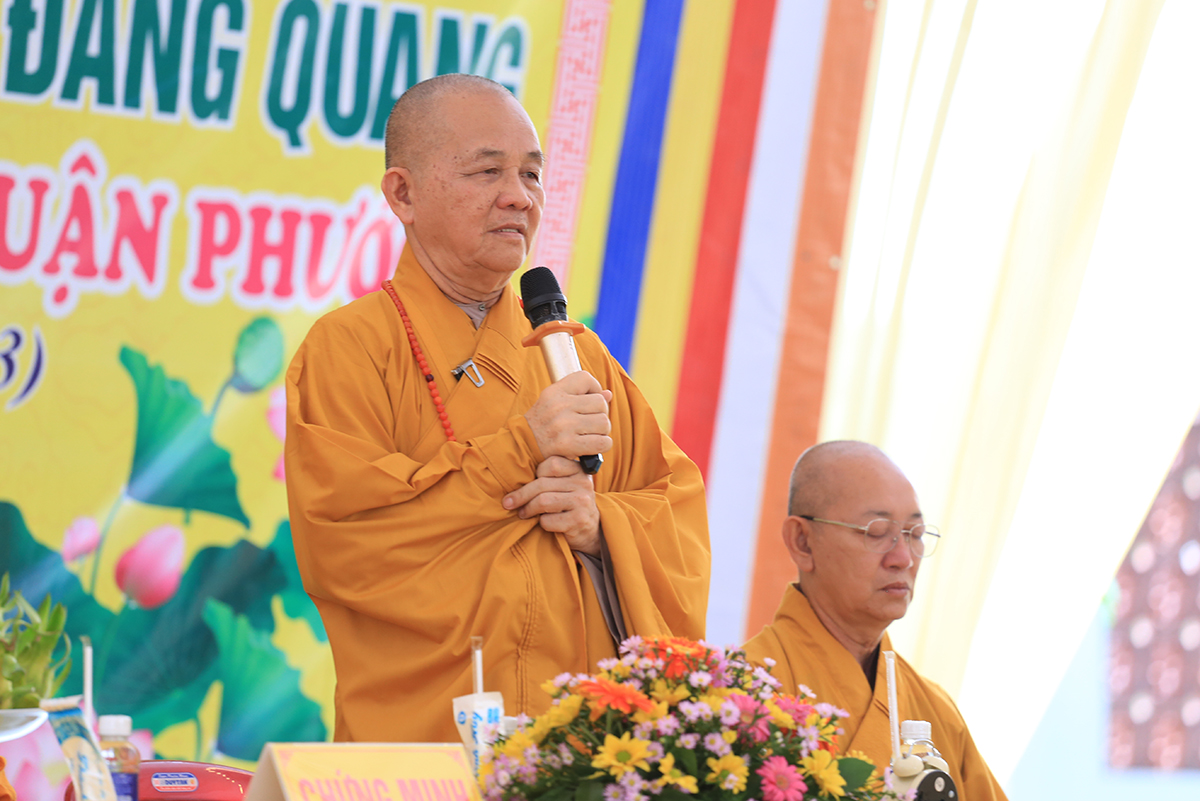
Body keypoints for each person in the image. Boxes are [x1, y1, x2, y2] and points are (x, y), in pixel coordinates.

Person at [284, 74, 710, 743]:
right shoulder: (351, 347)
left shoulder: (576, 358)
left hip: (572, 755)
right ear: (403, 194)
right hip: (417, 750)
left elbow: (675, 520)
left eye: (532, 174)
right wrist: (518, 452)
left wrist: (600, 529)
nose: (519, 196)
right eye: (488, 172)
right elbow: (347, 541)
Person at [744, 441, 1006, 800]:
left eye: (915, 535)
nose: (903, 558)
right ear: (803, 542)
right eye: (876, 532)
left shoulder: (936, 712)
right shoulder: (743, 695)